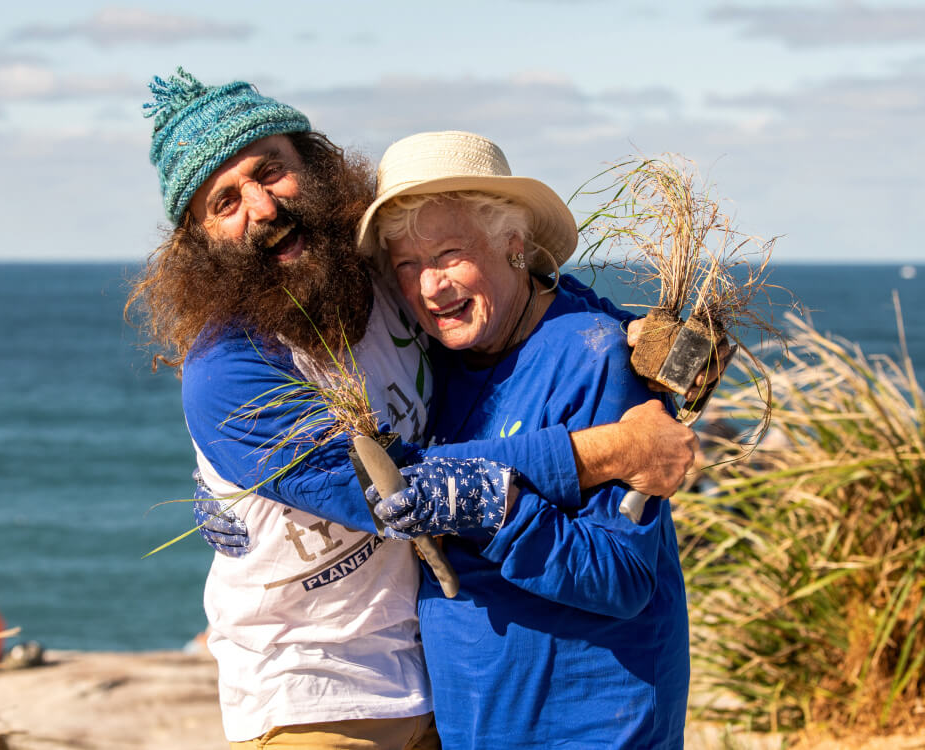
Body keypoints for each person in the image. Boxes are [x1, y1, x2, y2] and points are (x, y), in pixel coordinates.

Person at [127, 70, 701, 749]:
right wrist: (613, 449)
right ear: (199, 241)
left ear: (312, 166)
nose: (262, 206)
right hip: (313, 698)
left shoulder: (379, 284)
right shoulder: (228, 372)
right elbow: (394, 490)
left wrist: (648, 345)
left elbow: (516, 292)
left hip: (436, 694)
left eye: (270, 170)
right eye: (225, 201)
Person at [356, 131, 693, 748]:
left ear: (513, 244)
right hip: (478, 725)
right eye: (407, 265)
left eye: (449, 254)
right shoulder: (438, 360)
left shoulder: (595, 357)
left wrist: (499, 509)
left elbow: (623, 578)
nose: (430, 286)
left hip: (590, 725)